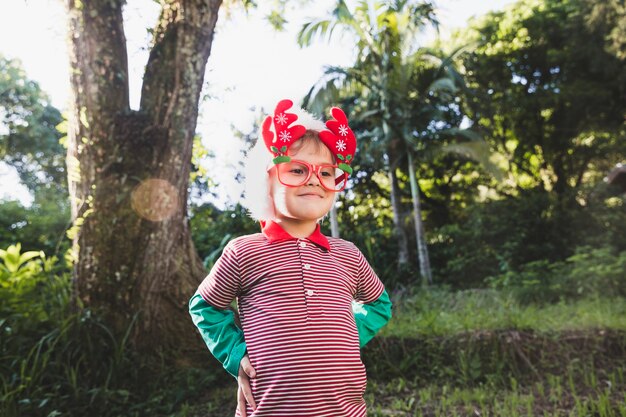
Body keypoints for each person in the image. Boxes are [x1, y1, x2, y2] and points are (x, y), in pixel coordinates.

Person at [189, 99, 393, 417]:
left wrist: (347, 336)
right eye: (297, 170)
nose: (314, 179)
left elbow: (379, 305)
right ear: (266, 180)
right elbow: (205, 307)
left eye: (326, 172)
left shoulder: (348, 255)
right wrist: (237, 354)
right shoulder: (244, 251)